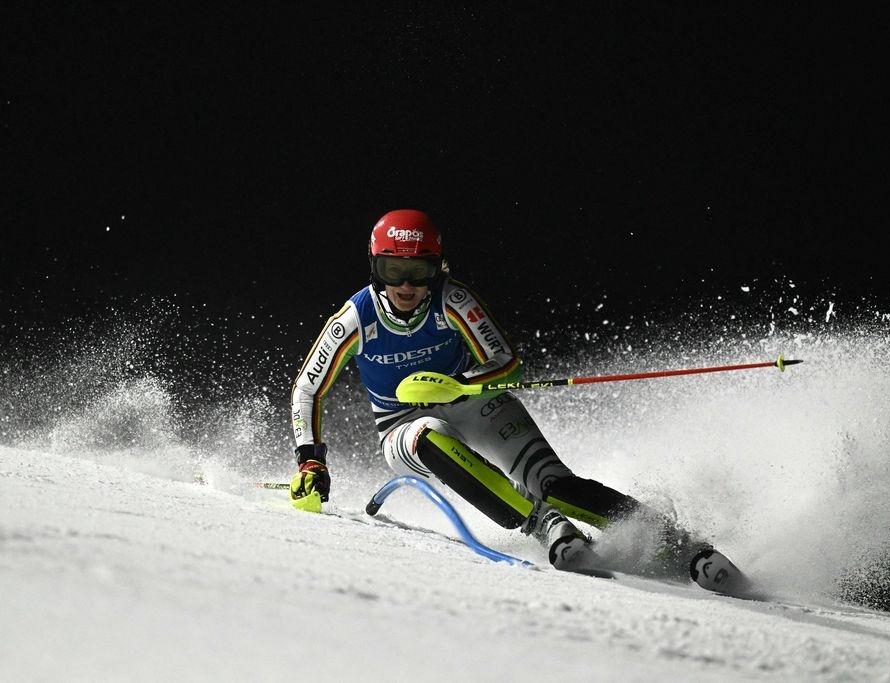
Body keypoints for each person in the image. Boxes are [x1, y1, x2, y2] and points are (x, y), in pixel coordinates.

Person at [288, 209, 746, 593]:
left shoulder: (454, 300)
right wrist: (311, 461)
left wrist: (463, 383)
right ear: (374, 267)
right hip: (403, 425)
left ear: (438, 267)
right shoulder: (356, 317)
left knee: (554, 482)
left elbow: (506, 362)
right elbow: (309, 387)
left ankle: (686, 547)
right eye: (393, 271)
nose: (406, 287)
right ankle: (545, 525)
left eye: (419, 271)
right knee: (432, 436)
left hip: (470, 399)